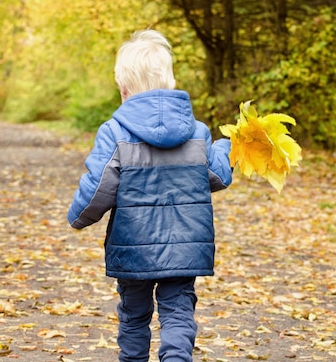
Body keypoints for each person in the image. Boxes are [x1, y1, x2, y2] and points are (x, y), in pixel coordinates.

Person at [67, 29, 233, 362]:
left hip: (133, 250)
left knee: (133, 315)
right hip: (185, 249)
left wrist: (79, 215)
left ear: (123, 88)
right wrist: (225, 146)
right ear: (170, 82)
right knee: (178, 312)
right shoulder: (198, 132)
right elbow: (216, 177)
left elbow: (99, 186)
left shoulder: (114, 132)